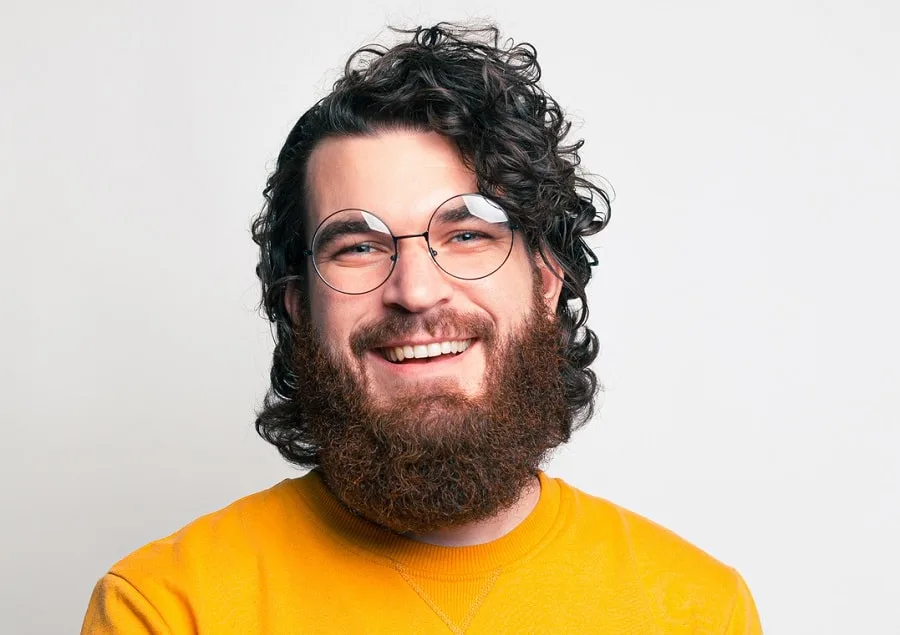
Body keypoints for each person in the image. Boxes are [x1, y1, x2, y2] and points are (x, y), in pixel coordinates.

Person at [81, 23, 761, 634]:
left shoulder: (696, 610)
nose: (414, 290)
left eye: (466, 233)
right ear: (298, 307)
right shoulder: (168, 608)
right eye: (358, 246)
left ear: (547, 281)